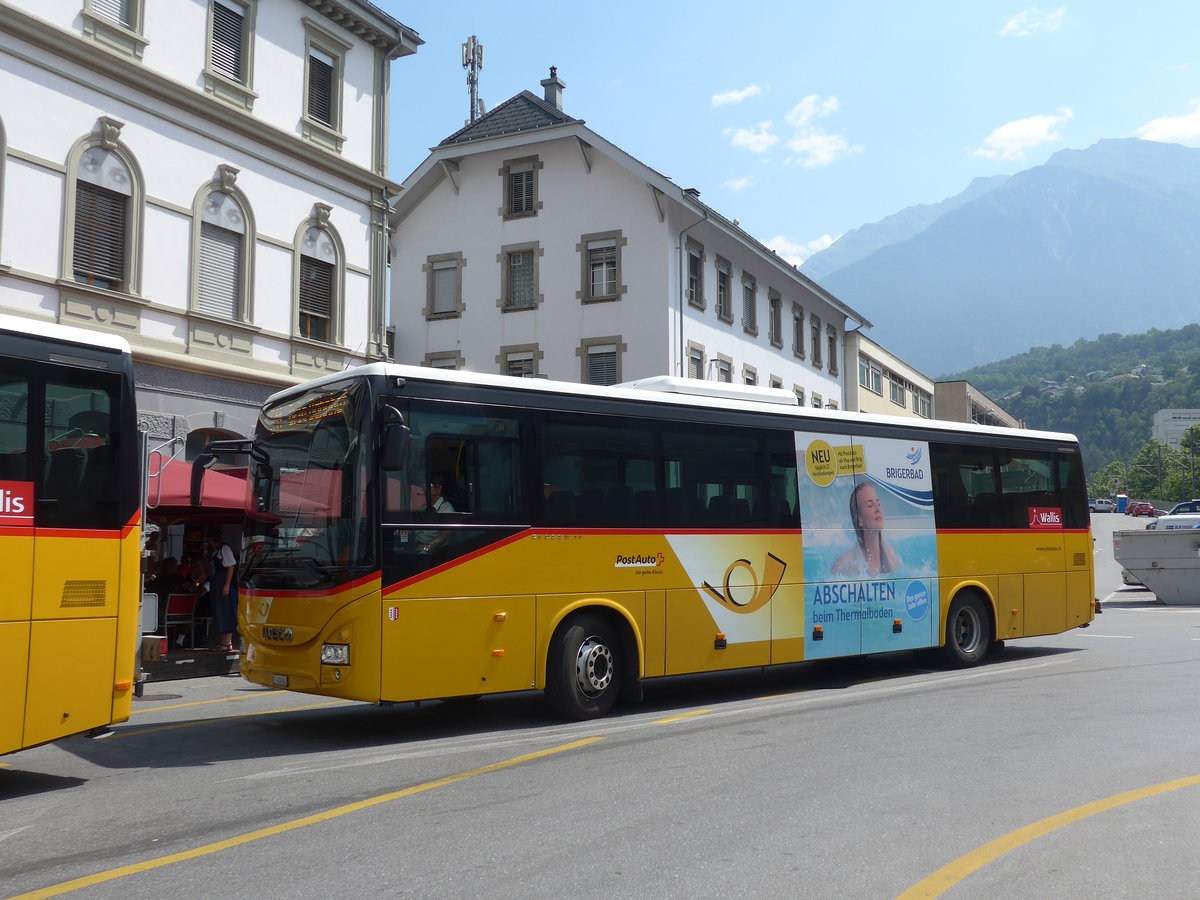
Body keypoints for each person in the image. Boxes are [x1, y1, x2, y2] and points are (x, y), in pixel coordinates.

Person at [830, 481, 901, 577]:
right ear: (860, 520)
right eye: (870, 505)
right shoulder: (845, 564)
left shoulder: (891, 557)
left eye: (879, 504)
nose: (877, 509)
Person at [206, 527, 239, 652]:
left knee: (226, 612)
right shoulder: (216, 551)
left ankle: (227, 642)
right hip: (217, 583)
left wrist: (226, 585)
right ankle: (222, 642)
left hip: (223, 583)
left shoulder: (225, 549)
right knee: (219, 611)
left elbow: (231, 566)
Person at [413, 475, 456, 554]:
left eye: (427, 486)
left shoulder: (446, 508)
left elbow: (445, 534)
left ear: (438, 489)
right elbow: (414, 528)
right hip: (416, 545)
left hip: (435, 550)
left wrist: (429, 546)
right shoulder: (423, 507)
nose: (424, 490)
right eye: (423, 486)